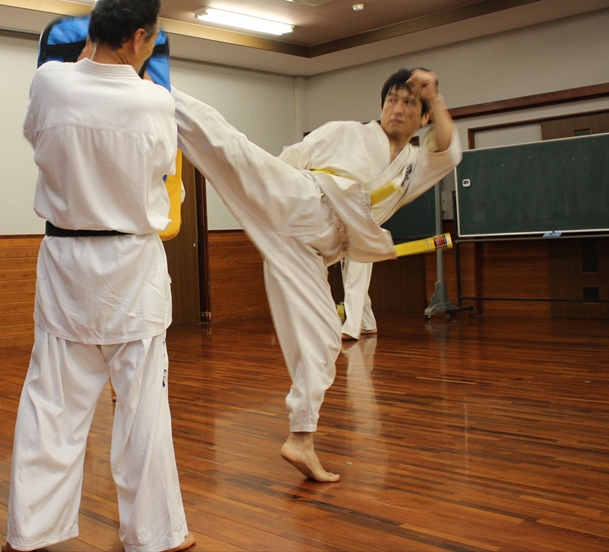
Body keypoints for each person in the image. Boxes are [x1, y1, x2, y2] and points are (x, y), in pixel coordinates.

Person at [171, 68, 460, 482]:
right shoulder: (347, 132)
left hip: (311, 250)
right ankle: (160, 89)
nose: (397, 108)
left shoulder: (416, 164)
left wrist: (436, 93)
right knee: (234, 150)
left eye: (409, 102)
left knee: (325, 341)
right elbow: (290, 160)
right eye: (391, 100)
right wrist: (270, 186)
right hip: (303, 202)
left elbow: (448, 150)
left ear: (424, 118)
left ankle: (301, 438)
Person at [5, 0, 193, 552]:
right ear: (139, 38)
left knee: (51, 404)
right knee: (141, 409)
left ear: (93, 31)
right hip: (130, 266)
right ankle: (154, 535)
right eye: (153, 35)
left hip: (65, 262)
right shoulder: (155, 101)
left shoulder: (48, 84)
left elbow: (35, 136)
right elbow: (162, 167)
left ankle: (31, 532)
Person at [340, 257, 377, 341]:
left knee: (354, 285)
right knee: (357, 285)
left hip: (359, 247)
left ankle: (351, 329)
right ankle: (367, 324)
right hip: (347, 249)